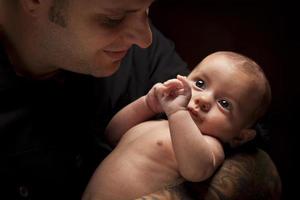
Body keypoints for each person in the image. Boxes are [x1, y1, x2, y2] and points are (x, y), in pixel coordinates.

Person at [0, 0, 190, 199]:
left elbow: (214, 130)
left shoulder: (135, 44)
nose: (145, 39)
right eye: (113, 19)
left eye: (147, 10)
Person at [82, 51, 272, 200]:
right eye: (200, 83)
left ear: (240, 136)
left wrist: (178, 113)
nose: (204, 99)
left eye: (224, 104)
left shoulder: (209, 145)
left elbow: (196, 171)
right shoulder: (155, 123)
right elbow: (112, 135)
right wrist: (147, 105)